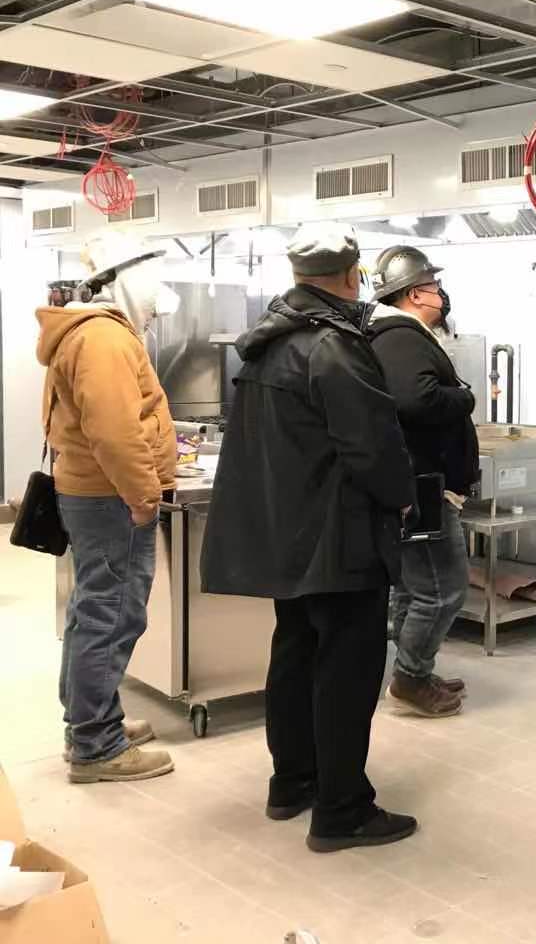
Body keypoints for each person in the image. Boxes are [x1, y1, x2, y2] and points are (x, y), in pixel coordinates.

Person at [202, 222, 418, 854]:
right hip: (339, 537)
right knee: (347, 668)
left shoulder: (269, 342)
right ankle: (342, 809)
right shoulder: (334, 348)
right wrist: (403, 495)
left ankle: (292, 781)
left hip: (288, 536)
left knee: (295, 654)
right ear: (352, 276)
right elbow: (371, 445)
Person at [37, 232, 180, 784]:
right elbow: (115, 432)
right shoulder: (104, 339)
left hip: (93, 493)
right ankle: (97, 746)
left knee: (92, 611)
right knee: (111, 615)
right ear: (128, 280)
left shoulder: (87, 332)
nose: (157, 298)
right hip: (111, 497)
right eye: (151, 282)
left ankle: (90, 723)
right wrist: (143, 496)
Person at [367, 245, 477, 718]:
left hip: (418, 481)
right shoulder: (401, 337)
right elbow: (416, 400)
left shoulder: (396, 335)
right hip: (424, 485)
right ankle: (410, 679)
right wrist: (464, 397)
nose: (440, 294)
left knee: (415, 588)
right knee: (444, 589)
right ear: (414, 294)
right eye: (434, 285)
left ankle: (412, 669)